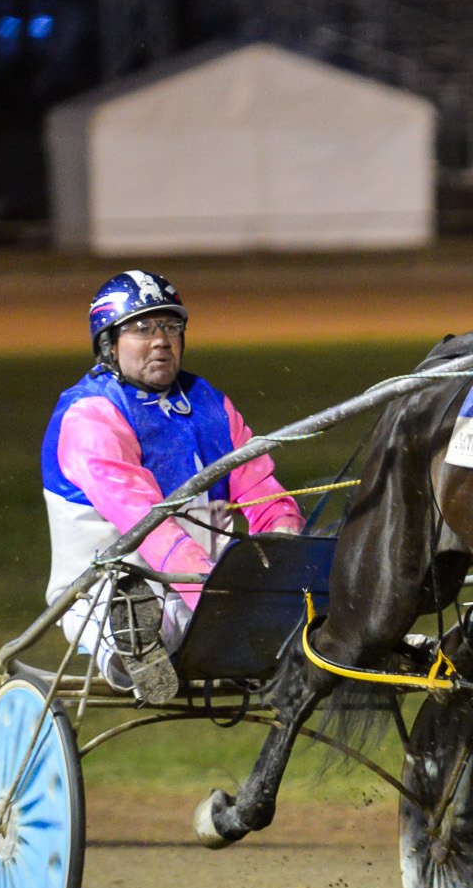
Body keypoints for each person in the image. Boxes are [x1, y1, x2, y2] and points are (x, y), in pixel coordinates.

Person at [41, 271, 305, 701]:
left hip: (211, 591)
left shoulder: (209, 403)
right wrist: (224, 599)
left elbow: (263, 491)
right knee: (138, 610)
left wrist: (285, 549)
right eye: (143, 328)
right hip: (109, 588)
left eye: (170, 326)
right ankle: (130, 652)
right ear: (108, 342)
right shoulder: (90, 415)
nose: (161, 340)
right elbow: (147, 522)